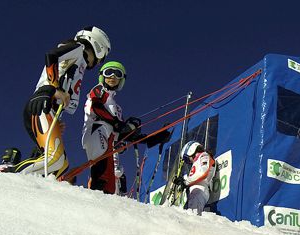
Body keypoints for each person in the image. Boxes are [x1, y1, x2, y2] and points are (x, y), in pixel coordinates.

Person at [15, 26, 111, 178]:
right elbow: (52, 55)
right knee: (55, 159)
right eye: (102, 57)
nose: (99, 62)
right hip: (43, 101)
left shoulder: (80, 64)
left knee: (61, 165)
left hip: (50, 110)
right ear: (98, 45)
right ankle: (7, 174)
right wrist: (55, 88)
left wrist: (57, 120)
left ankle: (33, 190)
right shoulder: (78, 48)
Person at [82, 61, 170, 195]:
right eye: (108, 72)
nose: (112, 76)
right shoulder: (99, 90)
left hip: (109, 139)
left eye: (117, 74)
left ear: (121, 80)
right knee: (101, 173)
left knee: (110, 183)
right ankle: (95, 198)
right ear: (102, 76)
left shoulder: (117, 108)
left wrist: (153, 138)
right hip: (96, 130)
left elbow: (123, 134)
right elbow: (96, 107)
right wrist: (119, 124)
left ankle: (103, 201)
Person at [173, 141, 215, 215]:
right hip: (194, 192)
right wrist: (182, 181)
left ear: (191, 150)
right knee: (186, 216)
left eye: (186, 158)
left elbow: (203, 173)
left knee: (192, 217)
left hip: (200, 190)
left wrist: (186, 182)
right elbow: (195, 176)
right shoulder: (197, 161)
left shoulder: (204, 155)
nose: (188, 161)